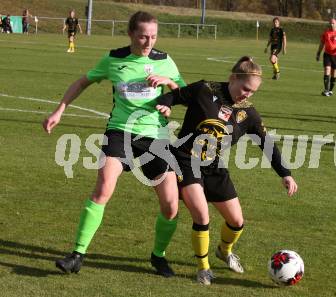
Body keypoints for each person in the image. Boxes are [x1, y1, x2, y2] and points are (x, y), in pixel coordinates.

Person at [43, 11, 186, 277]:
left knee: (170, 204)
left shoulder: (165, 61)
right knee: (103, 188)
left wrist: (169, 88)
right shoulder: (113, 59)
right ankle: (77, 254)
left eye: (153, 36)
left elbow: (185, 94)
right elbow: (82, 82)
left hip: (155, 137)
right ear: (131, 33)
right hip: (120, 132)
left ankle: (158, 256)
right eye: (143, 36)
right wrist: (59, 109)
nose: (148, 42)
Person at [155, 56, 298, 285]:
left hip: (213, 166)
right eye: (245, 89)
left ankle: (224, 250)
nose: (247, 95)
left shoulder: (248, 113)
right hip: (184, 159)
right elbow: (175, 95)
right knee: (202, 216)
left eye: (252, 92)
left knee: (236, 221)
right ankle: (203, 268)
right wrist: (165, 103)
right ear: (233, 78)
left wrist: (285, 173)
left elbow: (266, 144)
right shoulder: (204, 89)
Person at [316, 18, 336, 96]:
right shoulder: (326, 33)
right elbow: (321, 44)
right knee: (327, 69)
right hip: (327, 54)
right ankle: (326, 90)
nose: (331, 24)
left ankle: (330, 90)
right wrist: (318, 53)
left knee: (334, 74)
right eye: (330, 23)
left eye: (333, 23)